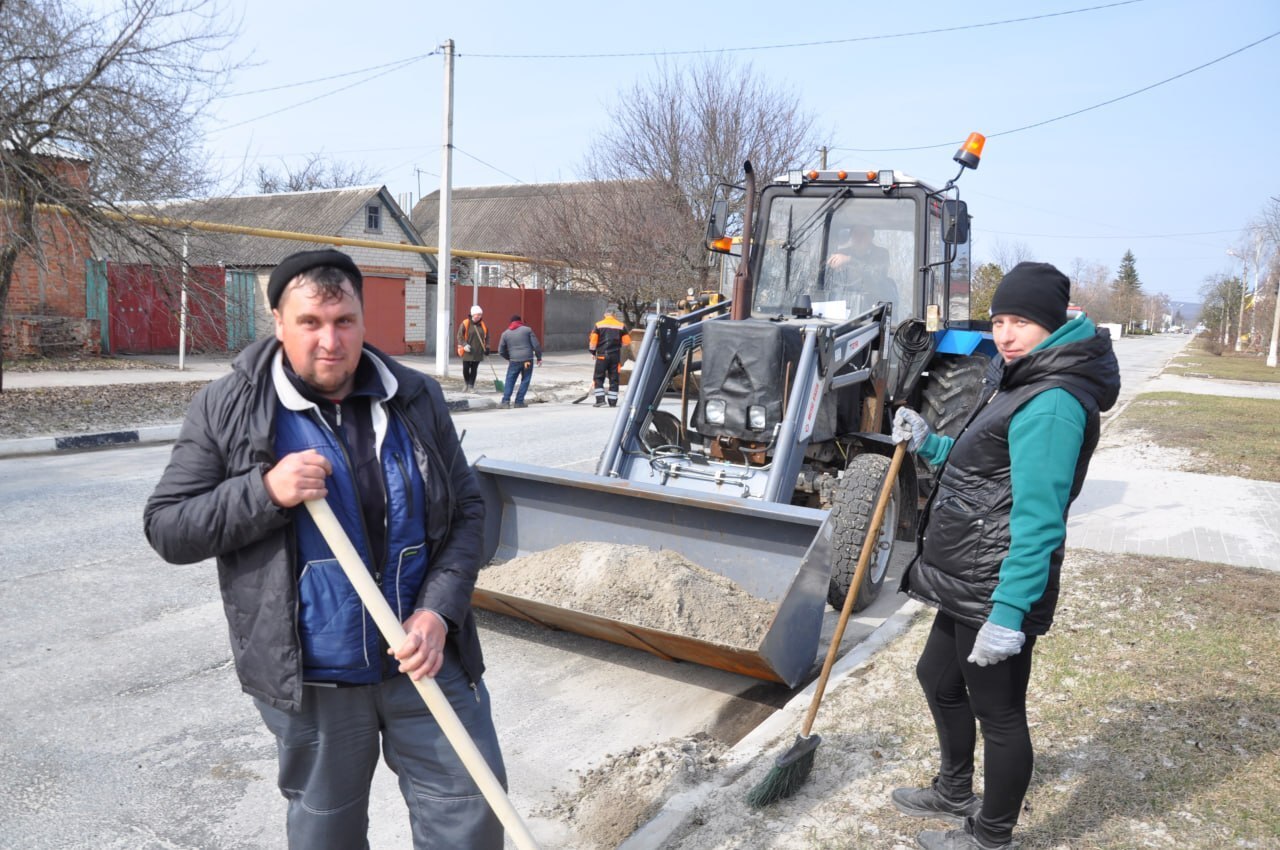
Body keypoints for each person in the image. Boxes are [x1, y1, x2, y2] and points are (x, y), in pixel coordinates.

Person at [143, 249, 507, 850]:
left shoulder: (413, 396)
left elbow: (468, 511)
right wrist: (265, 492)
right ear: (280, 324)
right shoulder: (229, 407)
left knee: (470, 816)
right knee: (326, 833)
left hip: (425, 661)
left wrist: (439, 612)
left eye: (344, 321)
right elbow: (168, 527)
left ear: (364, 322)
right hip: (314, 682)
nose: (330, 340)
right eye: (310, 323)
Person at [888, 261, 1120, 850]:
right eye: (998, 319)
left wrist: (1009, 613)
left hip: (997, 585)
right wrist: (931, 442)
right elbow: (988, 469)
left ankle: (990, 836)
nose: (1006, 333)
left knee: (1001, 715)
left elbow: (1039, 521)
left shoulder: (1052, 403)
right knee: (936, 678)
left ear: (1052, 325)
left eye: (1021, 321)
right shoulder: (1017, 376)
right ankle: (954, 790)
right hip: (967, 573)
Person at [826, 223, 896, 312]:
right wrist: (830, 264)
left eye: (863, 234)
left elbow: (877, 277)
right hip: (843, 309)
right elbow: (825, 275)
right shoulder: (841, 253)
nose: (859, 237)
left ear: (871, 237)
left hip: (872, 312)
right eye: (855, 234)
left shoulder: (881, 254)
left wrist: (850, 260)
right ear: (851, 237)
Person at [588, 308, 632, 408]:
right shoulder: (621, 326)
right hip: (615, 357)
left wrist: (593, 352)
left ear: (605, 315)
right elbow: (627, 342)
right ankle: (612, 402)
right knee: (614, 379)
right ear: (614, 315)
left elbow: (593, 341)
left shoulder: (599, 325)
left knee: (598, 378)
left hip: (602, 356)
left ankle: (600, 400)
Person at [497, 313, 542, 409]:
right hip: (527, 360)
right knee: (525, 380)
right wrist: (539, 358)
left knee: (510, 380)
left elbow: (500, 351)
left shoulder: (505, 333)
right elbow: (536, 345)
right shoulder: (527, 330)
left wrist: (509, 358)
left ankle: (505, 401)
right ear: (520, 321)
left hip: (514, 361)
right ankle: (519, 402)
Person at [456, 304, 490, 392]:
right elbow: (459, 336)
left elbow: (487, 337)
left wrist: (487, 347)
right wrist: (464, 345)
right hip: (467, 350)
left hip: (478, 350)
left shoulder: (483, 325)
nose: (479, 316)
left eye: (480, 315)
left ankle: (471, 386)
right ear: (472, 314)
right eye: (477, 314)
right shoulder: (465, 323)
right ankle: (466, 383)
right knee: (466, 368)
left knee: (474, 369)